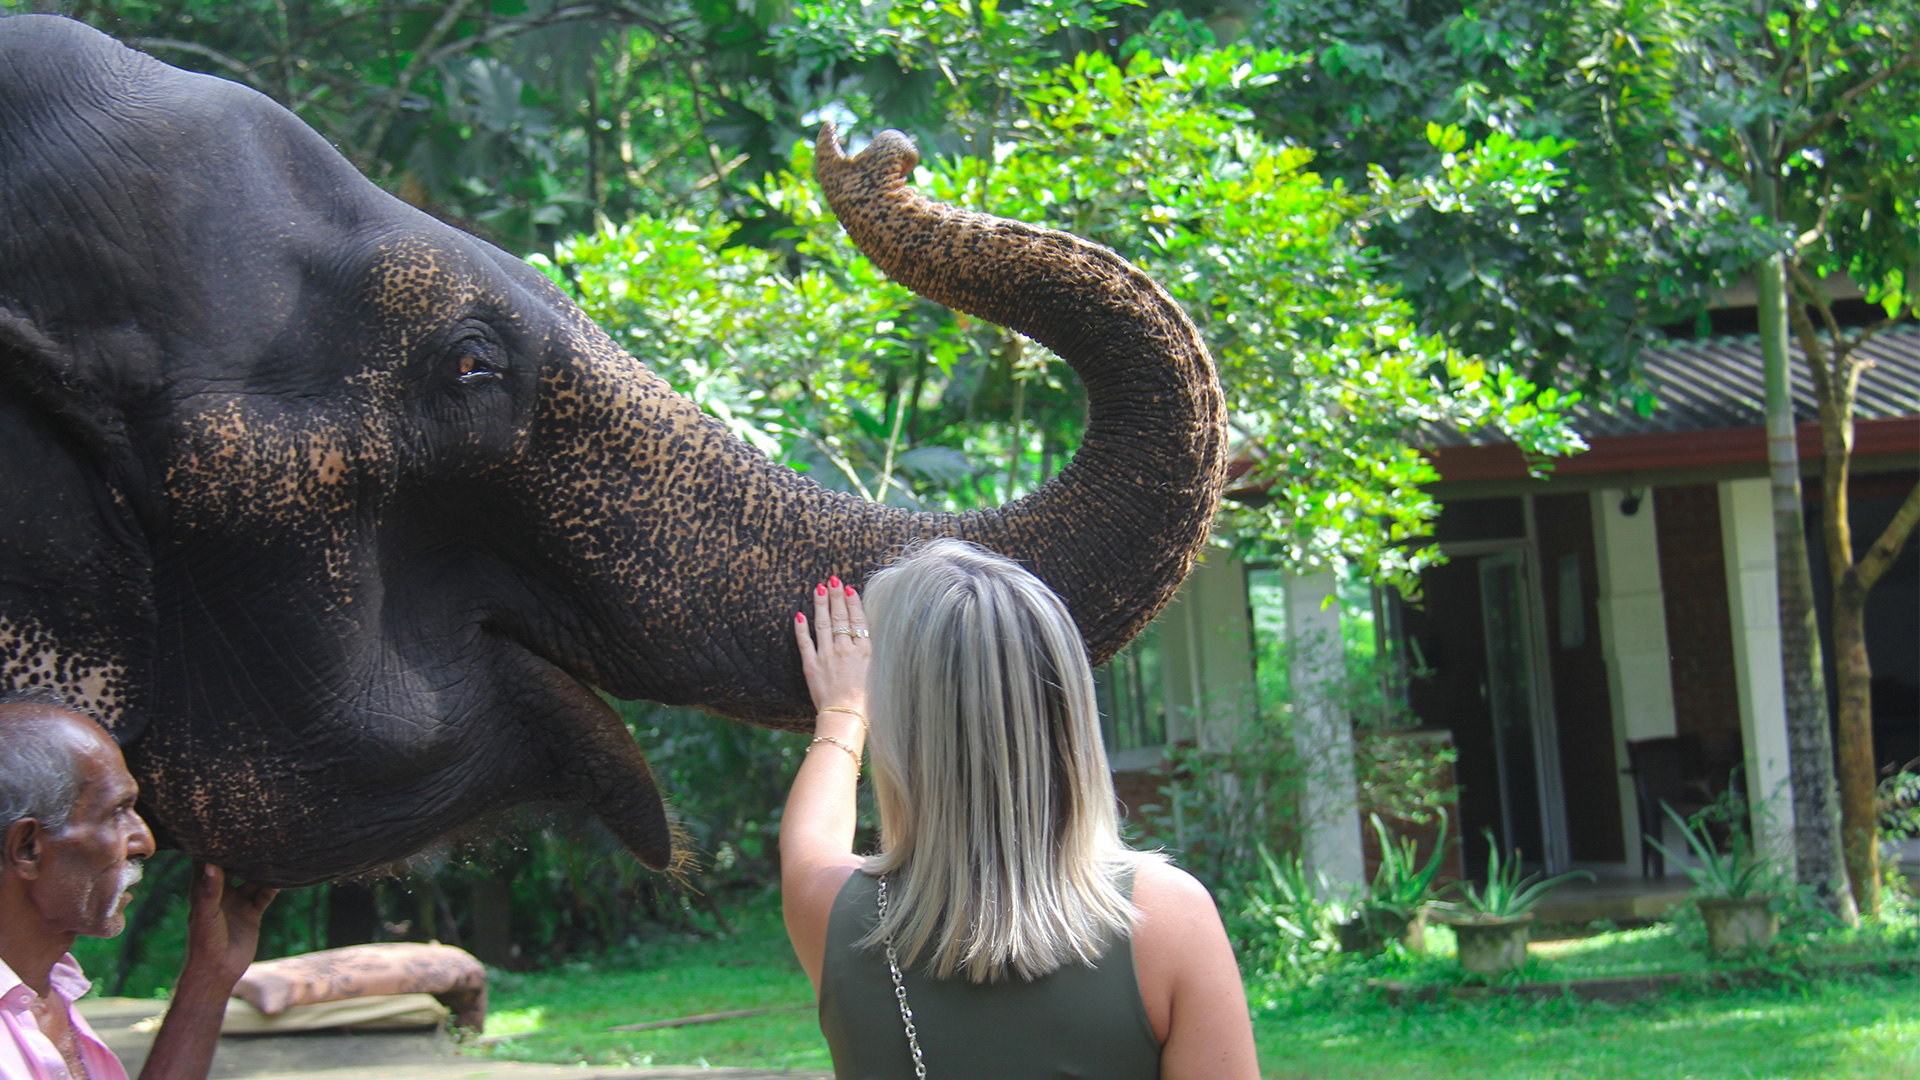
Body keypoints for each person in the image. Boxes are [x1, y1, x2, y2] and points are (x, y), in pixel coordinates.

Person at [781, 540, 1259, 1079]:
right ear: (1070, 711)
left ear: (905, 733)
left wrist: (844, 712)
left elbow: (808, 840)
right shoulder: (1172, 919)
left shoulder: (831, 911)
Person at [0, 694, 278, 1080]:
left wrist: (209, 975)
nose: (145, 842)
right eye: (117, 813)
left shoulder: (45, 987)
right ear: (28, 849)